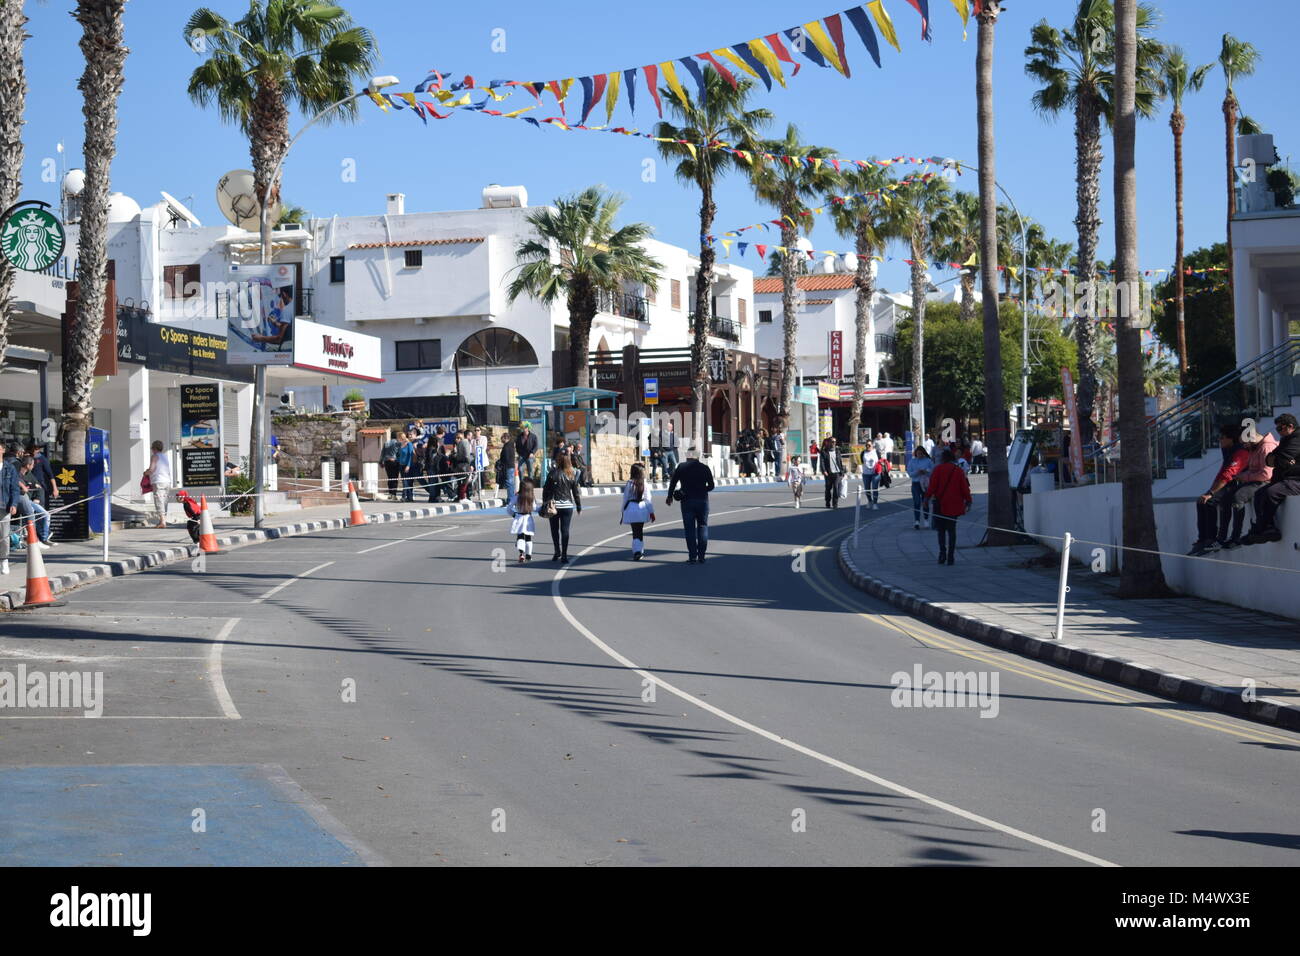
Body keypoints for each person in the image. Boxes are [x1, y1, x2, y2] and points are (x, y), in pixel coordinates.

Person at [1188, 424, 1255, 555]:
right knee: (1201, 501)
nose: (1220, 440)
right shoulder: (1228, 450)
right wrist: (1209, 491)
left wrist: (1211, 493)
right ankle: (1203, 539)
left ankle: (1213, 539)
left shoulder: (1241, 451)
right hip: (1229, 482)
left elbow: (1229, 474)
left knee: (1211, 501)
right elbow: (1222, 472)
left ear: (1231, 439)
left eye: (1223, 437)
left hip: (1240, 483)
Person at [1243, 413, 1300, 544]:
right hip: (1286, 478)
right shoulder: (1287, 439)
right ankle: (1265, 528)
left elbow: (1282, 457)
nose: (1278, 432)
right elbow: (1269, 460)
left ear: (1290, 427)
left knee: (1271, 492)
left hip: (1296, 479)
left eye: (1280, 429)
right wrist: (1281, 460)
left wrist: (1281, 459)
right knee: (1259, 494)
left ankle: (1264, 529)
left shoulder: (1297, 438)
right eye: (1277, 429)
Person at [924, 448, 973, 566]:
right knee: (952, 530)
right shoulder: (958, 470)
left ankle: (942, 553)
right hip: (954, 504)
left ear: (942, 459)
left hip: (940, 504)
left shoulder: (938, 469)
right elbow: (964, 488)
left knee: (941, 530)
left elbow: (932, 487)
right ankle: (951, 556)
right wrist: (968, 500)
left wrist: (926, 498)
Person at [665, 447, 714, 563]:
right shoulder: (704, 468)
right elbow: (711, 486)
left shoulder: (681, 467)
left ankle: (692, 556)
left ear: (688, 455)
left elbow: (673, 482)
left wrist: (670, 496)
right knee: (703, 526)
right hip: (702, 501)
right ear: (698, 456)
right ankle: (701, 556)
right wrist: (702, 489)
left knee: (689, 529)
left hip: (687, 501)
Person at [541, 451, 582, 563]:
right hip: (567, 506)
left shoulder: (552, 474)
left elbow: (545, 490)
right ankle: (564, 555)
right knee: (565, 530)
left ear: (558, 461)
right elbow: (576, 493)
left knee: (554, 530)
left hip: (554, 505)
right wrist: (578, 507)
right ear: (569, 461)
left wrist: (545, 504)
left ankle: (556, 551)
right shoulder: (571, 474)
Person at [620, 462, 656, 561]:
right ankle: (639, 551)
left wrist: (622, 512)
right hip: (642, 509)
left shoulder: (629, 483)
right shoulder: (644, 483)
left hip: (631, 509)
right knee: (639, 531)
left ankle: (637, 551)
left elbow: (625, 499)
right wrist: (652, 512)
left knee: (635, 532)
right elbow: (648, 499)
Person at [16, 457, 53, 548]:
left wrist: (34, 490)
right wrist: (24, 486)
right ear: (28, 465)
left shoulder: (29, 474)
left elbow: (35, 485)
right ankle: (33, 538)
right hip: (19, 499)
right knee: (31, 513)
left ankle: (43, 538)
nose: (33, 467)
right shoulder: (17, 473)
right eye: (32, 465)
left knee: (46, 514)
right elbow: (16, 481)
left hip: (29, 500)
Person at [1, 445, 22, 576]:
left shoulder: (10, 468)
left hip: (4, 505)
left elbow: (15, 488)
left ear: (3, 450)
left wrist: (14, 503)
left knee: (3, 536)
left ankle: (3, 560)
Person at [508, 477, 537, 563]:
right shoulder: (531, 497)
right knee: (528, 537)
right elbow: (535, 508)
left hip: (519, 518)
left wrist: (513, 514)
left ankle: (521, 554)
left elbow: (509, 508)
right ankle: (529, 555)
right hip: (528, 518)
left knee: (520, 536)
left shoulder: (517, 496)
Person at [907, 446, 934, 529]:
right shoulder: (912, 461)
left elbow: (933, 472)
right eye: (918, 453)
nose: (920, 455)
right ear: (916, 453)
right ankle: (917, 521)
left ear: (924, 453)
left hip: (925, 484)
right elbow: (910, 473)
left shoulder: (928, 461)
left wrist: (926, 471)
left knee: (925, 502)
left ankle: (926, 520)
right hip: (916, 483)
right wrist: (917, 472)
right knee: (917, 502)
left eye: (921, 453)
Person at [148, 439, 172, 528]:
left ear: (154, 448)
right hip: (167, 481)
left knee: (159, 501)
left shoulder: (154, 456)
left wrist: (145, 473)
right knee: (164, 501)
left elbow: (151, 469)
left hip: (158, 481)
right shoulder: (165, 456)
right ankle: (163, 520)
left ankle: (162, 522)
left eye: (152, 448)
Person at [25, 442, 57, 507]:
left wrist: (55, 489)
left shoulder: (42, 459)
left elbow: (50, 475)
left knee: (39, 510)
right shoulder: (26, 458)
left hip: (39, 488)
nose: (35, 451)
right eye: (33, 449)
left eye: (36, 449)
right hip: (28, 488)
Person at [820, 436, 844, 509]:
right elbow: (822, 462)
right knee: (828, 489)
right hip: (828, 473)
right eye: (832, 442)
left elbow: (840, 462)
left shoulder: (837, 451)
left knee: (836, 488)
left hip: (837, 473)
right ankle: (827, 502)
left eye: (835, 442)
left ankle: (835, 504)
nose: (834, 443)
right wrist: (824, 470)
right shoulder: (824, 452)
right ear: (829, 442)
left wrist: (842, 472)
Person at [497, 430, 519, 505]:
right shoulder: (511, 445)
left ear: (505, 438)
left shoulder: (507, 446)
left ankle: (510, 499)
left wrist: (501, 463)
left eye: (502, 438)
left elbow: (505, 458)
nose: (501, 440)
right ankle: (512, 499)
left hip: (508, 467)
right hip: (511, 466)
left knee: (509, 483)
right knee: (511, 484)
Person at [860, 442, 881, 510]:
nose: (868, 446)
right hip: (866, 474)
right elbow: (862, 461)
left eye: (869, 445)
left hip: (875, 473)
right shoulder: (863, 452)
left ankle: (875, 503)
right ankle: (870, 501)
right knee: (867, 489)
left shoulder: (876, 452)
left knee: (875, 489)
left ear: (872, 445)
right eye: (866, 445)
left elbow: (880, 461)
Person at [454, 430, 474, 501]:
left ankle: (460, 496)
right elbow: (467, 455)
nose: (471, 437)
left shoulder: (459, 443)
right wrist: (470, 464)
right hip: (465, 464)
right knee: (466, 481)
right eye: (470, 435)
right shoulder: (465, 442)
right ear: (467, 435)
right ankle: (463, 496)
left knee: (461, 481)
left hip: (459, 464)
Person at [380, 431, 400, 499]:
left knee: (390, 478)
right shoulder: (397, 443)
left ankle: (390, 493)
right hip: (394, 461)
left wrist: (380, 462)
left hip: (386, 462)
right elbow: (399, 453)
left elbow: (383, 453)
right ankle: (394, 494)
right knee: (395, 478)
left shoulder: (386, 443)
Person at [397, 432, 414, 502]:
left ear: (401, 438)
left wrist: (408, 465)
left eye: (398, 437)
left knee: (405, 481)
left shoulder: (409, 444)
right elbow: (399, 455)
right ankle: (410, 497)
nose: (397, 439)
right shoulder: (400, 444)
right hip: (401, 465)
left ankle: (404, 496)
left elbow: (411, 455)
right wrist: (398, 460)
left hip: (407, 465)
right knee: (405, 481)